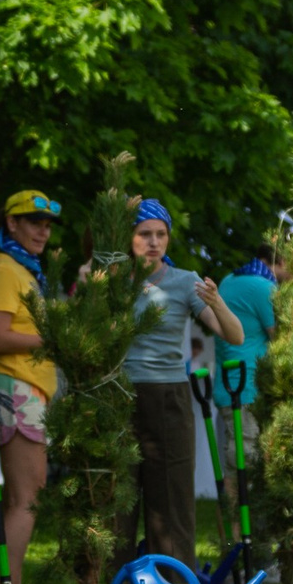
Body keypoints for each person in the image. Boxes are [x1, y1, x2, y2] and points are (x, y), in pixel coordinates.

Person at [116, 199, 243, 564]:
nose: (154, 241)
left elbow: (233, 335)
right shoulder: (111, 284)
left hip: (168, 397)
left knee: (172, 505)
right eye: (144, 234)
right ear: (129, 238)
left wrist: (217, 301)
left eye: (161, 234)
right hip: (119, 397)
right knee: (117, 505)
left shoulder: (184, 281)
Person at [0, 190, 68, 584]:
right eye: (32, 221)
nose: (42, 231)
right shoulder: (5, 269)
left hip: (29, 392)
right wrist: (54, 340)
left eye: (47, 224)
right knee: (26, 501)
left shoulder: (25, 270)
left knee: (25, 499)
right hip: (17, 391)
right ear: (10, 224)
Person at [213, 245, 279, 447]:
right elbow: (281, 339)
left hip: (230, 385)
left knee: (238, 463)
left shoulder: (229, 280)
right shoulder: (263, 286)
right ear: (280, 261)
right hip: (249, 389)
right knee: (249, 464)